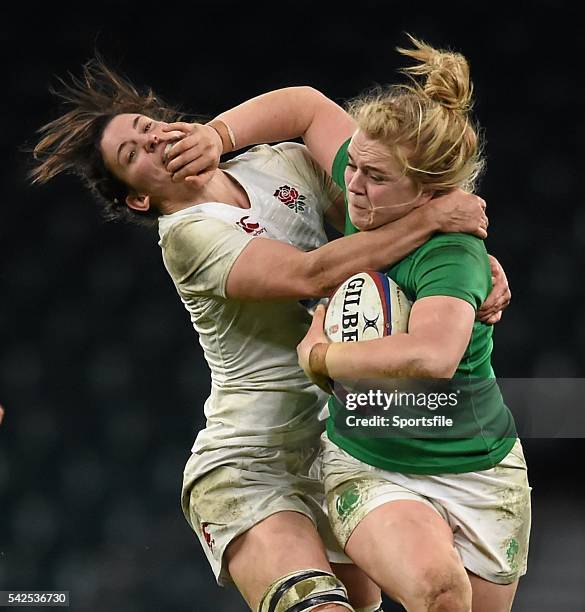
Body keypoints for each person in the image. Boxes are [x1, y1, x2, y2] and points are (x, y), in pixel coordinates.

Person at [29, 50, 507, 612]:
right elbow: (312, 271)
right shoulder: (187, 235)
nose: (154, 140)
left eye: (148, 126)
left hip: (344, 447)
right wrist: (435, 220)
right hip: (250, 461)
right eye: (132, 154)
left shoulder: (277, 164)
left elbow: (376, 187)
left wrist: (463, 266)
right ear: (139, 197)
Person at [162, 36, 527, 612]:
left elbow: (434, 355)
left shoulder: (447, 249)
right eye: (350, 165)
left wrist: (323, 356)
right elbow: (311, 269)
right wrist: (218, 134)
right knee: (422, 595)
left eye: (372, 175)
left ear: (425, 186)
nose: (350, 183)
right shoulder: (189, 235)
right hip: (303, 456)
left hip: (463, 457)